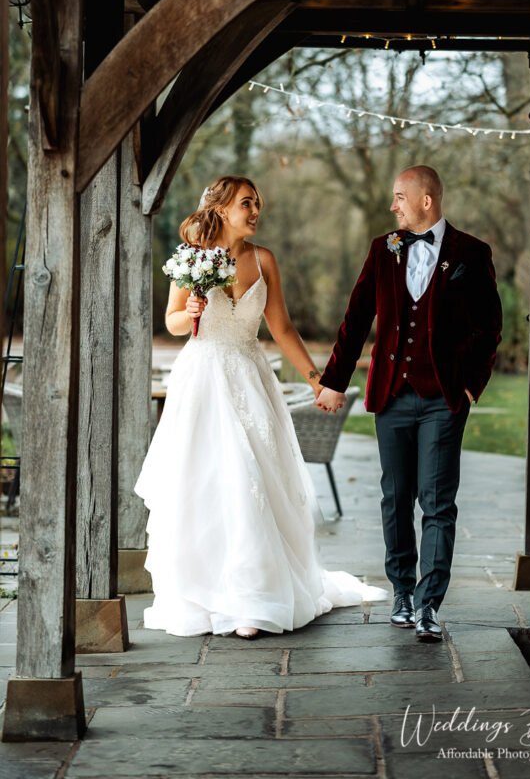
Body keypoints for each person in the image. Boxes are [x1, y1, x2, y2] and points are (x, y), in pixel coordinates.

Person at [135, 175, 386, 640]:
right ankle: (204, 593)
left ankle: (253, 598)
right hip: (202, 380)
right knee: (207, 483)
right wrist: (186, 313)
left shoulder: (263, 259)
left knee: (253, 481)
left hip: (250, 377)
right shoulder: (191, 253)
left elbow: (283, 329)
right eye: (247, 204)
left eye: (258, 205)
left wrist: (318, 379)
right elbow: (170, 321)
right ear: (222, 207)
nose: (255, 212)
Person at [316, 165, 502, 643]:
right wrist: (335, 380)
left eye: (400, 196)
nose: (393, 205)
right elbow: (356, 318)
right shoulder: (384, 249)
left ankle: (429, 605)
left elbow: (489, 328)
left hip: (443, 396)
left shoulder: (471, 253)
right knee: (395, 498)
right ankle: (401, 592)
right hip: (392, 396)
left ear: (426, 200)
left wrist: (467, 387)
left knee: (437, 503)